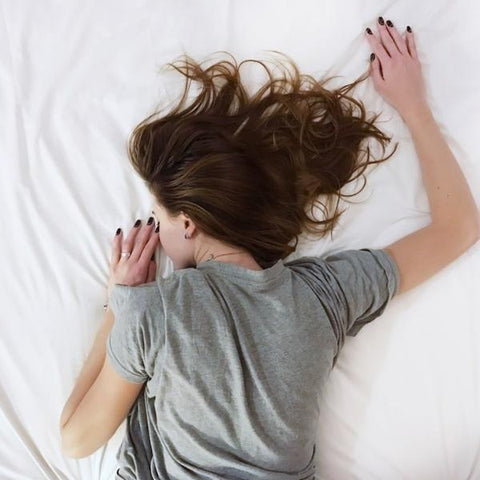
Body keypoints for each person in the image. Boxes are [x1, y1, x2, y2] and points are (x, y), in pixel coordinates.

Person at [107, 17, 479, 480]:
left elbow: (76, 436)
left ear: (188, 223)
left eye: (159, 218)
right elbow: (459, 228)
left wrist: (119, 300)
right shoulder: (323, 296)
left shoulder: (153, 310)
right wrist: (413, 107)